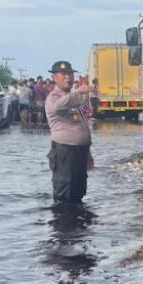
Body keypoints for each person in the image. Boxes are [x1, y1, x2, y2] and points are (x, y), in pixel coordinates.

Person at [45, 60, 94, 204]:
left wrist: (88, 152)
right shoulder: (53, 97)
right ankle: (64, 218)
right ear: (54, 78)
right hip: (65, 153)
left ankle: (77, 218)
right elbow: (56, 108)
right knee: (64, 195)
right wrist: (78, 92)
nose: (68, 77)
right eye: (63, 74)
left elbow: (82, 124)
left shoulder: (72, 98)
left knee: (78, 192)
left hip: (80, 153)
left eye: (70, 74)